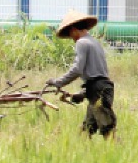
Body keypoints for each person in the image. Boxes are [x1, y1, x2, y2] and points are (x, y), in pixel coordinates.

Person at [46, 10, 116, 139]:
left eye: (70, 34)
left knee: (107, 129)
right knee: (86, 130)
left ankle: (119, 153)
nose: (71, 37)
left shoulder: (82, 43)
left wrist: (58, 82)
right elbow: (98, 75)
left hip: (98, 91)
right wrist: (84, 93)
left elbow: (77, 69)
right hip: (101, 88)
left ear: (73, 29)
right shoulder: (94, 42)